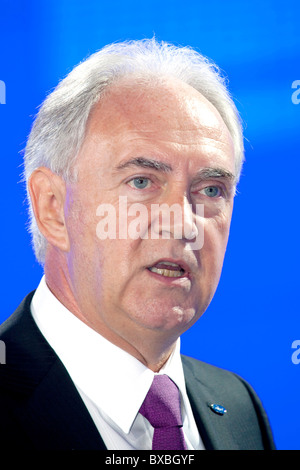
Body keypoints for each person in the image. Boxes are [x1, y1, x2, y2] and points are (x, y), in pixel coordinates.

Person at [0, 39, 275, 450]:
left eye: (211, 189)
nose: (183, 223)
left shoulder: (239, 408)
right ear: (53, 208)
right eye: (142, 182)